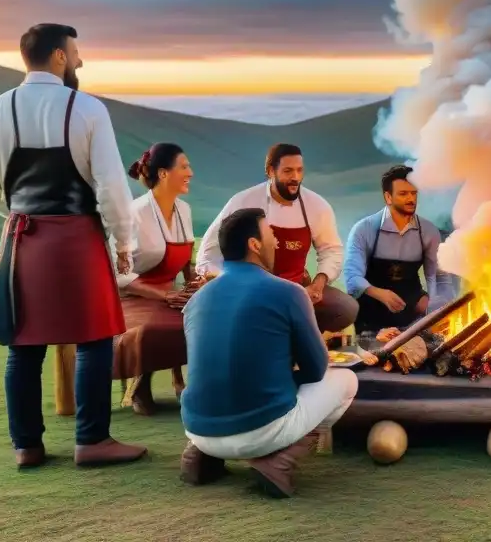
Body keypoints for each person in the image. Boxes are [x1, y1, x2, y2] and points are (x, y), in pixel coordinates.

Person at [0, 23, 146, 468]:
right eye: (75, 53)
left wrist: (20, 212)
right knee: (94, 338)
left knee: (24, 346)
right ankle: (91, 441)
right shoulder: (88, 108)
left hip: (23, 238)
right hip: (77, 237)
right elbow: (112, 187)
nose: (79, 61)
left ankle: (27, 447)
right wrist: (123, 241)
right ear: (58, 56)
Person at [180, 207, 358, 498]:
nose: (276, 242)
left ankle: (201, 455)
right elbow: (315, 370)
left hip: (198, 429)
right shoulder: (290, 292)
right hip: (260, 432)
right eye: (271, 235)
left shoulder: (195, 301)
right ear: (254, 245)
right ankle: (277, 462)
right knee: (347, 381)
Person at [195, 143, 358, 333]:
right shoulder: (243, 201)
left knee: (345, 308)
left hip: (297, 288)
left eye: (299, 170)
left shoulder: (317, 206)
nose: (295, 178)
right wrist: (234, 283)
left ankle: (300, 341)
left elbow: (331, 249)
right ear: (270, 171)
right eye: (288, 171)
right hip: (252, 291)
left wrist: (318, 284)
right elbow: (207, 254)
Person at [110, 143, 202, 415]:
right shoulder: (133, 213)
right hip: (131, 297)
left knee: (207, 318)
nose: (191, 172)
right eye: (184, 166)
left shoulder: (183, 209)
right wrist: (165, 295)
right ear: (163, 173)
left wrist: (194, 283)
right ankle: (141, 383)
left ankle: (199, 387)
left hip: (170, 293)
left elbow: (186, 256)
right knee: (151, 330)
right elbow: (117, 273)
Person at [344, 165, 445, 333]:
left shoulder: (428, 231)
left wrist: (434, 305)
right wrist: (380, 294)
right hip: (372, 304)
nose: (411, 199)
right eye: (403, 194)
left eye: (414, 193)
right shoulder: (364, 229)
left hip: (410, 303)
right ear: (388, 197)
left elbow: (436, 276)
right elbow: (351, 278)